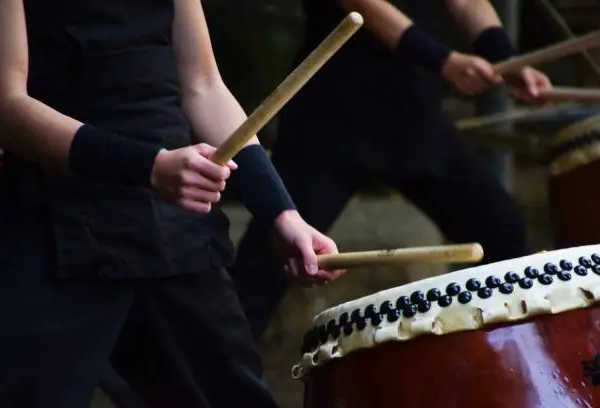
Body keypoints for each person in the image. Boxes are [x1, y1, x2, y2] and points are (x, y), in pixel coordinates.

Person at [0, 0, 345, 407]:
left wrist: (281, 212)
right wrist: (150, 167)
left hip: (172, 232)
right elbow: (4, 108)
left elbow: (204, 86)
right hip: (50, 228)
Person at [227, 0, 555, 340]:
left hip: (413, 113)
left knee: (503, 233)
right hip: (333, 116)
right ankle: (208, 379)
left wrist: (504, 58)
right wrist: (444, 60)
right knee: (263, 271)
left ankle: (504, 366)